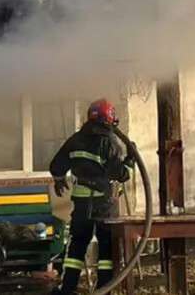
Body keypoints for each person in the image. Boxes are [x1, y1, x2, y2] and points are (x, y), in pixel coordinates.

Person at [49, 98, 135, 294]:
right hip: (104, 204)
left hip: (81, 204)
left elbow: (56, 165)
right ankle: (104, 289)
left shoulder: (76, 139)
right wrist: (130, 159)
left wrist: (59, 178)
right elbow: (120, 175)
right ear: (109, 119)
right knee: (106, 248)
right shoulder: (109, 143)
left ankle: (67, 289)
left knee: (76, 247)